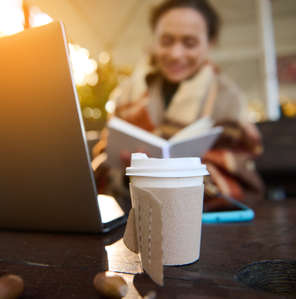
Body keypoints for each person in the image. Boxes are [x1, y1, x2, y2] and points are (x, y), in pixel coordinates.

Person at [93, 0, 264, 208]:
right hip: (130, 211)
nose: (175, 54)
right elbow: (105, 155)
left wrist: (163, 172)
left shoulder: (228, 98)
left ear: (210, 43)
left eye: (189, 43)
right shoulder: (126, 92)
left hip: (204, 219)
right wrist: (129, 170)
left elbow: (238, 167)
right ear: (154, 40)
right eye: (166, 41)